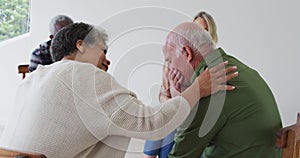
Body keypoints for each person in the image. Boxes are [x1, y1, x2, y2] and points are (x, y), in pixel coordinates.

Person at [0, 22, 238, 158]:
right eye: (103, 51)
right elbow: (153, 125)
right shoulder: (83, 75)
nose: (107, 61)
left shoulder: (33, 80)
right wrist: (198, 88)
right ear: (80, 46)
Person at [164, 22, 282, 158]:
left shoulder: (209, 86)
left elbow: (180, 155)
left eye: (170, 61)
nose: (171, 69)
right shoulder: (237, 67)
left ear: (186, 53)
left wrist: (187, 99)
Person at [143, 11, 219, 158]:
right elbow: (163, 95)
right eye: (195, 29)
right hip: (176, 113)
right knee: (162, 119)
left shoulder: (214, 64)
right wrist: (175, 104)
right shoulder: (172, 61)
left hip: (198, 118)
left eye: (204, 31)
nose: (198, 35)